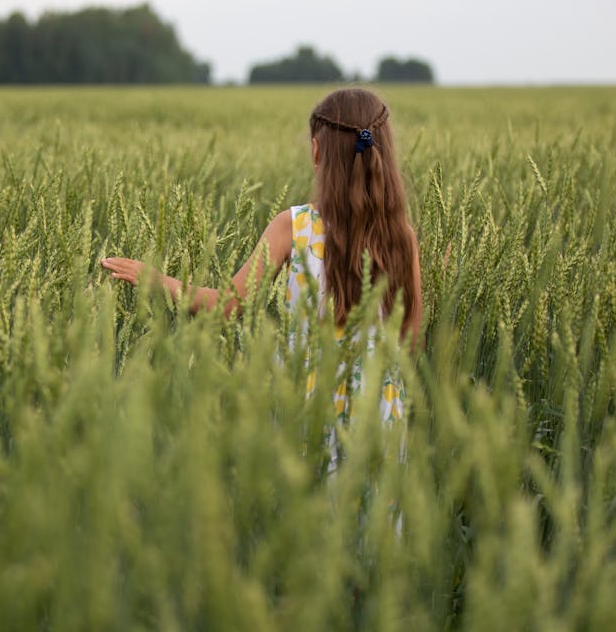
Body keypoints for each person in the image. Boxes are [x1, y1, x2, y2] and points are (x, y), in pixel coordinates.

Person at [101, 87, 422, 455]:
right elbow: (410, 341)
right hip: (380, 415)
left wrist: (156, 279)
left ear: (317, 152)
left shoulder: (295, 225)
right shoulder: (402, 238)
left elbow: (228, 304)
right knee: (372, 511)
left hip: (307, 408)